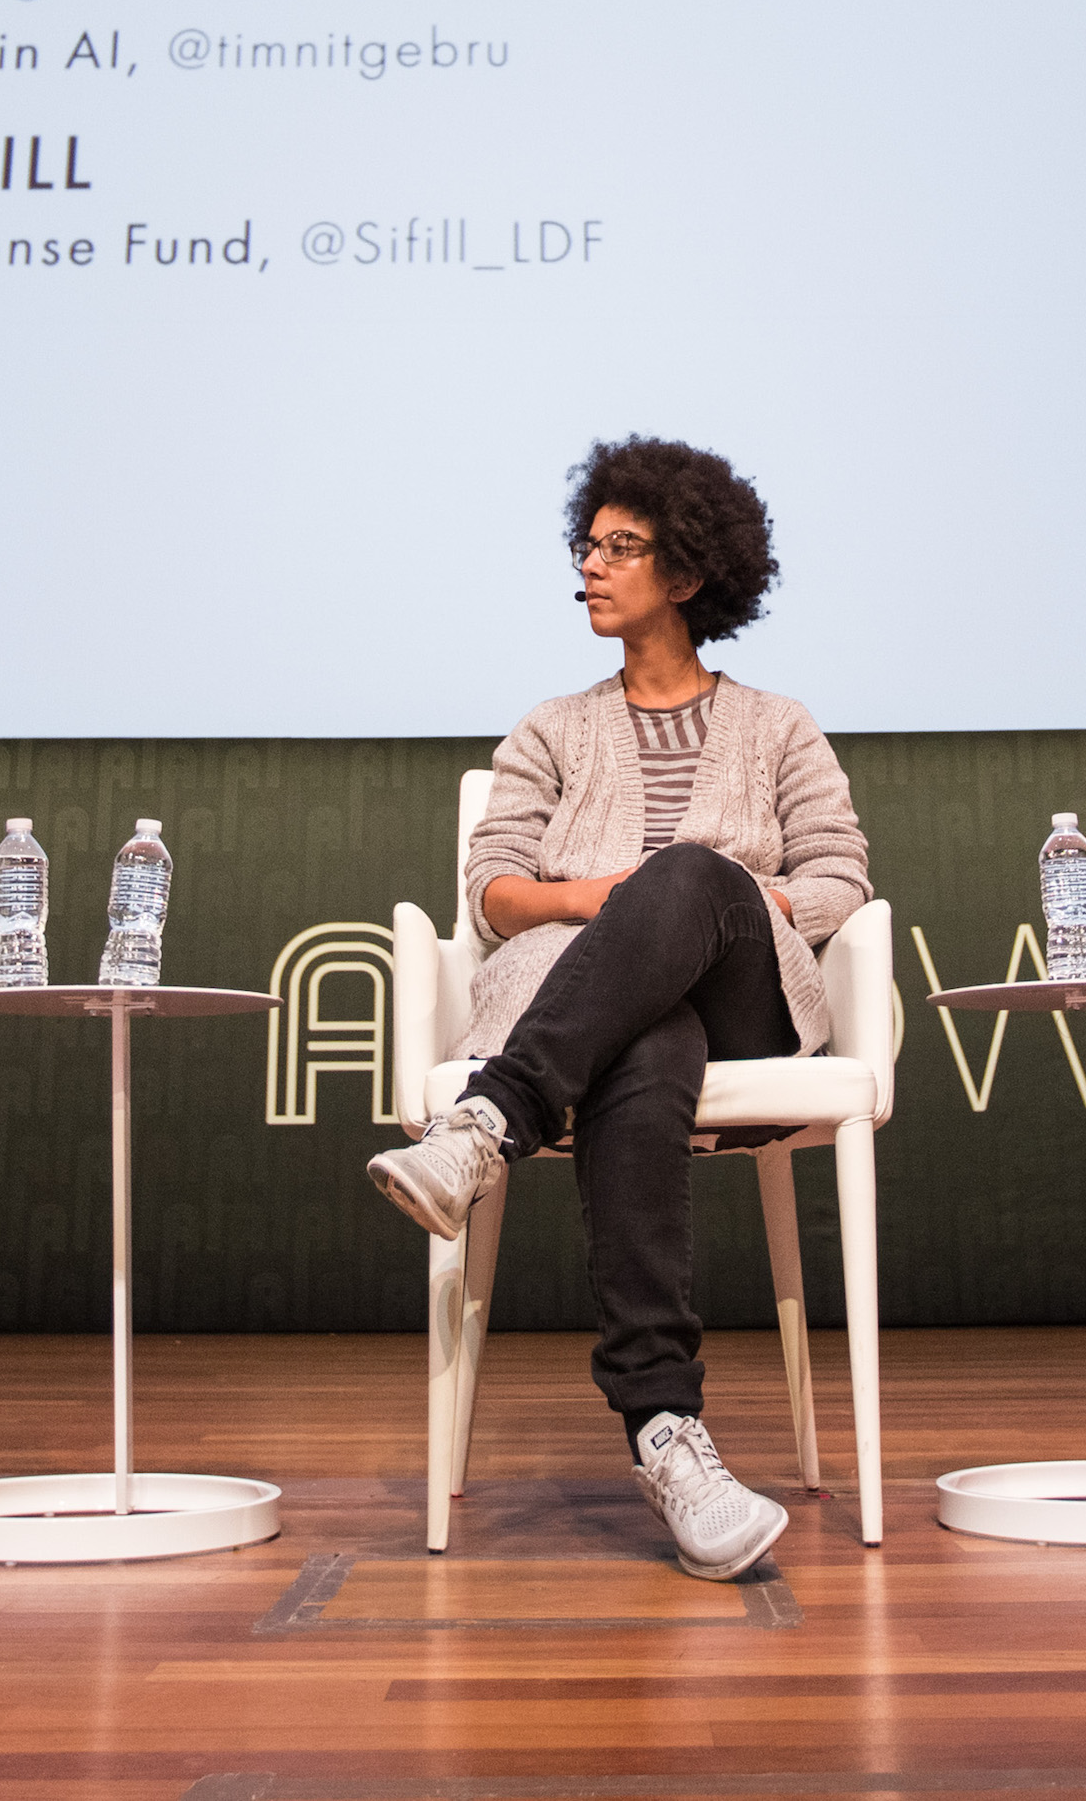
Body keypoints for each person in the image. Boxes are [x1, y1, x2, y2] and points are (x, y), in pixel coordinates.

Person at [362, 437, 871, 1583]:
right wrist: (603, 902)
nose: (589, 568)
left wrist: (712, 899)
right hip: (600, 1010)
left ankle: (490, 1123)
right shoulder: (551, 725)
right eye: (585, 548)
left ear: (687, 574)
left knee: (691, 874)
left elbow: (840, 876)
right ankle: (664, 1432)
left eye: (620, 549)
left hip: (747, 991)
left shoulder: (778, 724)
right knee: (647, 1043)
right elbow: (492, 890)